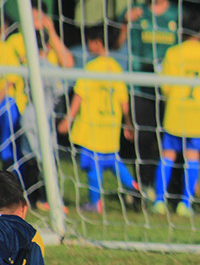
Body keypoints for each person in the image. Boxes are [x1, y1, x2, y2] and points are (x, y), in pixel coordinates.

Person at [57, 25, 146, 214]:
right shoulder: (116, 68)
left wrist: (68, 119)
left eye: (89, 41)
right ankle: (134, 186)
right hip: (111, 125)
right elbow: (124, 101)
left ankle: (95, 203)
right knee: (114, 161)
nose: (87, 45)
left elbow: (79, 96)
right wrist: (127, 124)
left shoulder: (91, 68)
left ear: (97, 43)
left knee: (94, 164)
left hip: (92, 126)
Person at [114, 0, 181, 189]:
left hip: (169, 90)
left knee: (169, 139)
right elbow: (116, 44)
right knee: (142, 139)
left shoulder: (177, 16)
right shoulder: (135, 12)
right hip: (141, 87)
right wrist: (125, 23)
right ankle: (143, 186)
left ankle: (170, 188)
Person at [4, 0, 75, 209]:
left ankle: (41, 198)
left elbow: (68, 64)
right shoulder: (17, 41)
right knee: (19, 157)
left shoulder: (50, 43)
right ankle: (23, 199)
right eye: (32, 17)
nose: (36, 22)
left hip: (42, 113)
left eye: (39, 17)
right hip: (20, 107)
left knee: (41, 156)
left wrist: (51, 32)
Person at [152, 13, 200, 217]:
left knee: (167, 156)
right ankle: (186, 203)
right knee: (192, 158)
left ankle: (159, 201)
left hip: (176, 113)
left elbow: (165, 87)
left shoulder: (173, 53)